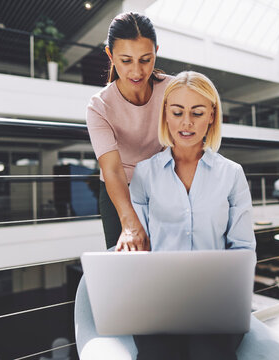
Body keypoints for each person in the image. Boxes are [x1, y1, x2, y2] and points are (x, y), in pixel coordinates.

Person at [125, 71, 256, 359]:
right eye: (177, 112)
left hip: (217, 302)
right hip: (159, 302)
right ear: (166, 116)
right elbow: (138, 247)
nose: (186, 123)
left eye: (197, 113)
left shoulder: (232, 174)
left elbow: (244, 248)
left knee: (209, 354)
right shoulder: (144, 174)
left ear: (211, 115)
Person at [86, 12, 172, 250]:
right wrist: (130, 223)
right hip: (118, 189)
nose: (137, 72)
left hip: (163, 185)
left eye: (146, 59)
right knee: (126, 265)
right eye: (126, 61)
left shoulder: (173, 90)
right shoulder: (99, 106)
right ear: (110, 55)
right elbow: (111, 170)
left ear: (156, 51)